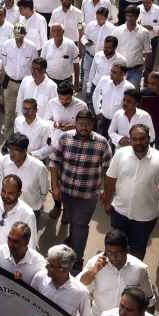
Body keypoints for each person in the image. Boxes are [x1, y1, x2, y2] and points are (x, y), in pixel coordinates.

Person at [103, 125, 159, 260]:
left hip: (145, 218)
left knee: (137, 253)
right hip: (120, 212)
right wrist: (107, 202)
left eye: (142, 139)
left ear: (149, 138)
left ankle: (132, 279)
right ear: (130, 140)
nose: (138, 142)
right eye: (134, 139)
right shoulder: (120, 154)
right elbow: (110, 179)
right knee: (115, 249)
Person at [49, 109, 111, 264]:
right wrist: (55, 187)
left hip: (87, 196)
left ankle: (77, 260)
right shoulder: (64, 138)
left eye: (88, 124)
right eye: (81, 123)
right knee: (71, 219)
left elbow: (108, 169)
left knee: (80, 225)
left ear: (93, 125)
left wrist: (104, 190)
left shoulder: (102, 143)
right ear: (75, 123)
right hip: (66, 192)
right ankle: (72, 238)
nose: (84, 127)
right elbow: (54, 163)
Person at [79, 229, 155, 316]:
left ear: (127, 249)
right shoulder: (96, 263)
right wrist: (94, 271)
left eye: (118, 253)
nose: (113, 257)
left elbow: (149, 299)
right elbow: (81, 283)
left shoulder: (140, 269)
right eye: (109, 252)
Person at [0, 174, 38, 252]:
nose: (6, 196)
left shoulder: (28, 214)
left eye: (11, 193)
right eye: (3, 191)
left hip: (11, 259)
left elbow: (31, 244)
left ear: (19, 194)